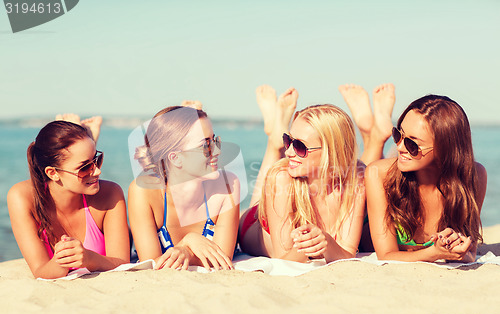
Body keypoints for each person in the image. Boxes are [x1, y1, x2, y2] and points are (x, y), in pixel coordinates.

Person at [238, 84, 394, 263]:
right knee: (275, 176)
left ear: (330, 151)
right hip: (254, 224)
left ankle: (276, 137)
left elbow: (348, 252)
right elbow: (284, 259)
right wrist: (316, 246)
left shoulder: (357, 176)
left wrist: (326, 242)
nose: (289, 152)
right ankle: (274, 143)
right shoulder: (282, 178)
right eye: (288, 141)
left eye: (299, 146)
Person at [365, 95, 488, 262]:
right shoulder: (379, 174)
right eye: (398, 135)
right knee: (357, 173)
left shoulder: (474, 176)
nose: (399, 146)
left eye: (412, 144)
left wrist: (455, 248)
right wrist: (434, 253)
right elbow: (386, 255)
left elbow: (470, 253)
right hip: (364, 238)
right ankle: (372, 136)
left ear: (445, 148)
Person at [7, 121, 130, 279]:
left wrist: (88, 258)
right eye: (85, 167)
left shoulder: (110, 194)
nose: (98, 170)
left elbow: (122, 262)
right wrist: (63, 260)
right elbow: (40, 271)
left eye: (97, 160)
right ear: (53, 173)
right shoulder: (22, 198)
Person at [128, 105, 240, 271]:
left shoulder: (228, 185)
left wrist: (187, 251)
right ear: (176, 158)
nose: (216, 150)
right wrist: (189, 242)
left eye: (215, 140)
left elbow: (222, 258)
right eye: (205, 145)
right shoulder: (144, 192)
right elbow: (152, 264)